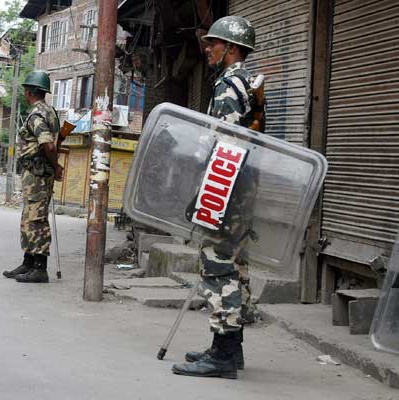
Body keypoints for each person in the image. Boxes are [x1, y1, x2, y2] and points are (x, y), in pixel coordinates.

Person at [172, 15, 265, 380]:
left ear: (231, 48)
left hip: (226, 190)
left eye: (213, 44)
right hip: (241, 192)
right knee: (234, 269)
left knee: (218, 266)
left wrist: (206, 196)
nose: (207, 49)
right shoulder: (247, 84)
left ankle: (223, 356)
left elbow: (226, 149)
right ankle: (229, 348)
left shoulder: (229, 84)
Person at [2, 70, 63, 283]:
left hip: (38, 174)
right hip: (36, 174)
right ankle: (28, 262)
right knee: (29, 218)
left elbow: (47, 143)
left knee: (36, 220)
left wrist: (56, 167)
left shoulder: (37, 115)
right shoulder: (50, 111)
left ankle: (40, 268)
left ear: (29, 92)